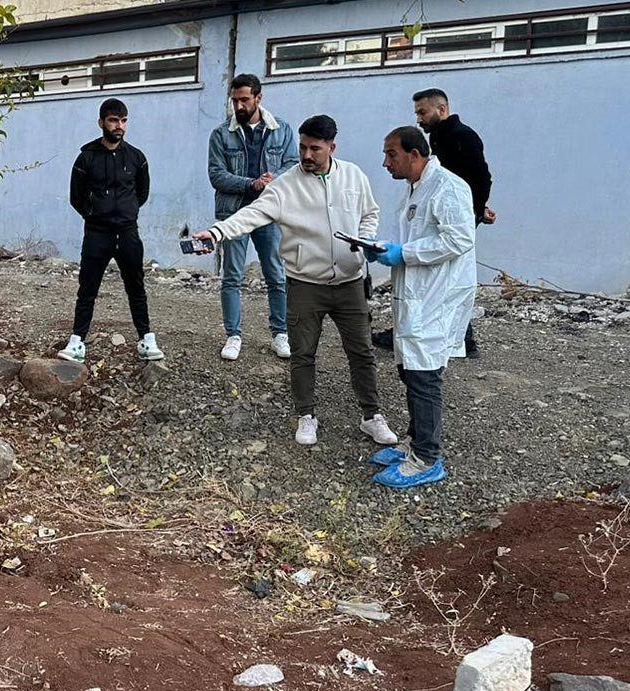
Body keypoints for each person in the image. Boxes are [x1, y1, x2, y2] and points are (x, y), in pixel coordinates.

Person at [192, 115, 398, 448]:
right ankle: (306, 415)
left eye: (315, 148)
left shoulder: (354, 176)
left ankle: (372, 416)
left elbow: (370, 212)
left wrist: (365, 238)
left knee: (361, 352)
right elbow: (251, 214)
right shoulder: (286, 184)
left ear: (332, 147)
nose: (306, 154)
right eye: (302, 147)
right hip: (305, 284)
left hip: (349, 282)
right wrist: (216, 232)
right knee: (303, 354)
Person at [367, 126, 476, 488]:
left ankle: (427, 458)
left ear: (415, 154)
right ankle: (415, 445)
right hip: (415, 295)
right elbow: (415, 237)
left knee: (424, 376)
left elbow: (459, 238)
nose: (385, 163)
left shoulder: (448, 187)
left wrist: (406, 253)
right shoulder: (416, 188)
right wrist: (386, 248)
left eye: (391, 154)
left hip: (437, 298)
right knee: (410, 369)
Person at [373, 88, 492, 358]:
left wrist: (475, 210)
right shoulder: (431, 151)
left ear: (441, 109)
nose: (419, 118)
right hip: (443, 215)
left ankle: (459, 339)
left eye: (422, 112)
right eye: (416, 113)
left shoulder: (462, 137)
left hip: (455, 214)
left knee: (443, 284)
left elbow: (480, 177)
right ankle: (413, 332)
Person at [58, 98, 163, 363]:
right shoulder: (86, 158)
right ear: (101, 122)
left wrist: (125, 213)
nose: (119, 126)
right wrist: (96, 215)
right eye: (114, 120)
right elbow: (76, 197)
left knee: (136, 287)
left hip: (128, 233)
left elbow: (142, 193)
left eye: (123, 120)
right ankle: (77, 342)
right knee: (87, 289)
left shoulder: (137, 158)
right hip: (97, 233)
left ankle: (146, 339)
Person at [207, 74, 298, 361]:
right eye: (235, 100)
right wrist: (251, 184)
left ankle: (280, 334)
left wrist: (274, 180)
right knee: (232, 276)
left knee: (276, 274)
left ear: (259, 98)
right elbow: (216, 175)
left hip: (270, 212)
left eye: (245, 99)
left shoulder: (281, 130)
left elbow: (292, 164)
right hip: (234, 213)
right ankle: (233, 336)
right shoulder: (221, 134)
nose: (239, 105)